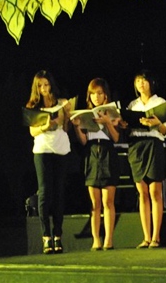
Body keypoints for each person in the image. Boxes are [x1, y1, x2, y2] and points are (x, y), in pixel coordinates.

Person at [26, 70, 71, 254]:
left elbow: (66, 129)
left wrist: (65, 117)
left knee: (59, 191)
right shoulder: (33, 105)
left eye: (46, 84)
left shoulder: (60, 102)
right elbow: (32, 132)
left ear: (51, 84)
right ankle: (46, 238)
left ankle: (58, 236)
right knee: (45, 192)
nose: (44, 88)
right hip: (43, 149)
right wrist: (47, 125)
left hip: (60, 148)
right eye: (40, 85)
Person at [72, 78, 120, 251]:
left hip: (108, 153)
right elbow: (83, 141)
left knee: (108, 201)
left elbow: (116, 138)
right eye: (93, 94)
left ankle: (108, 239)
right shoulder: (86, 113)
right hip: (91, 154)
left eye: (100, 93)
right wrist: (77, 127)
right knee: (95, 203)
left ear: (105, 95)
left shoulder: (112, 113)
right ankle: (95, 240)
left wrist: (108, 122)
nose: (96, 97)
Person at [125, 69, 166, 248]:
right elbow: (127, 129)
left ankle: (156, 237)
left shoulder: (160, 102)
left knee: (155, 192)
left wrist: (156, 123)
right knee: (142, 192)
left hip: (154, 145)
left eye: (143, 80)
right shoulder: (132, 105)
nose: (141, 84)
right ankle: (146, 236)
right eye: (137, 81)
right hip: (136, 146)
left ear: (151, 82)